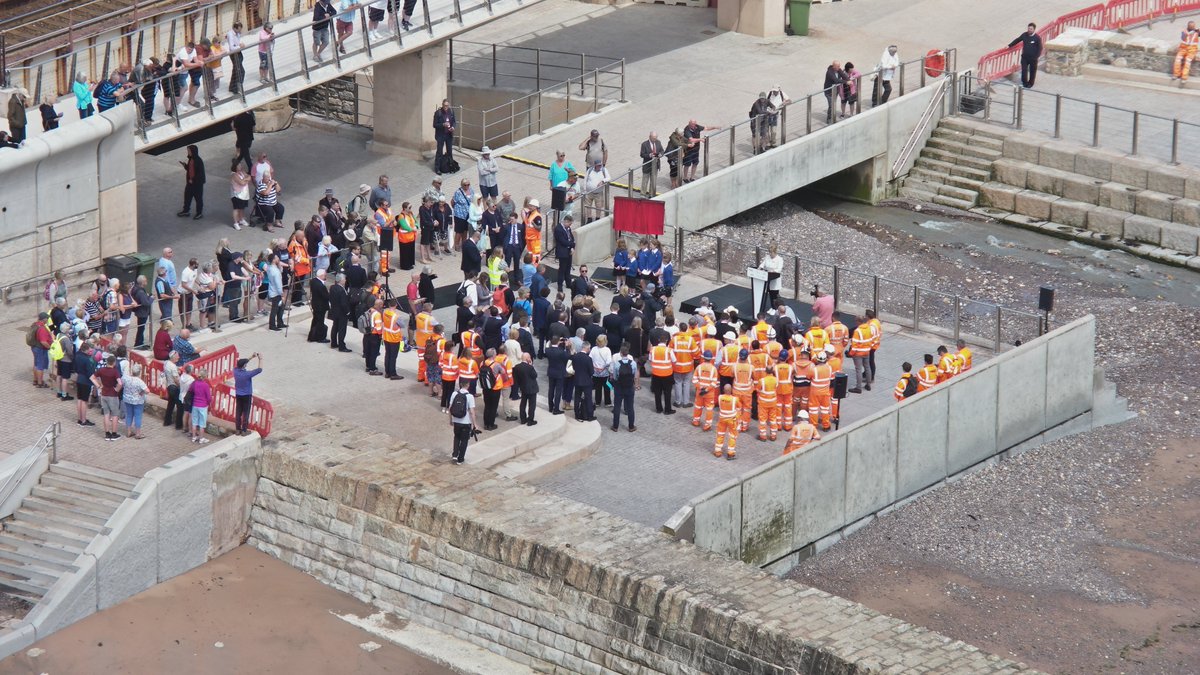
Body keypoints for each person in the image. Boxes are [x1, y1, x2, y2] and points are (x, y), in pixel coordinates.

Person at [91, 355, 122, 441]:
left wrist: (98, 386)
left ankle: (107, 434)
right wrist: (117, 390)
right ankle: (114, 433)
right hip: (113, 395)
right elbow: (120, 383)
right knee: (115, 415)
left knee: (106, 414)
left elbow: (92, 377)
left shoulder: (101, 370)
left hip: (104, 394)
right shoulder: (115, 372)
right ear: (114, 363)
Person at [448, 378, 478, 465]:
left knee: (456, 437)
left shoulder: (454, 394)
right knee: (464, 440)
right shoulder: (470, 396)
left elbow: (450, 408)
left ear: (460, 384)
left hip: (456, 421)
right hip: (466, 422)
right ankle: (460, 459)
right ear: (468, 385)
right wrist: (474, 424)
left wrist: (451, 420)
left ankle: (455, 454)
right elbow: (472, 412)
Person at [1008, 23, 1044, 89]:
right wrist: (1009, 45)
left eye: (1031, 29)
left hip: (1033, 59)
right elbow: (1017, 40)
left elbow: (1040, 48)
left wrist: (1036, 56)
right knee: (1024, 70)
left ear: (1034, 29)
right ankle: (1024, 82)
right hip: (1024, 57)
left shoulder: (1037, 38)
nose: (1029, 30)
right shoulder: (1024, 35)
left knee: (1032, 71)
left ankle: (1031, 83)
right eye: (1028, 28)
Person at [177, 145, 206, 220]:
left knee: (198, 199)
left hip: (197, 184)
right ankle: (186, 211)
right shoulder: (191, 159)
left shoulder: (198, 161)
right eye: (188, 150)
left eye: (189, 151)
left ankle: (199, 213)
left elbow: (200, 174)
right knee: (187, 197)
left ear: (193, 151)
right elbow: (190, 169)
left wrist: (193, 180)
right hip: (190, 183)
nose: (188, 152)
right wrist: (185, 165)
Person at [714, 384, 741, 460]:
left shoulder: (720, 397)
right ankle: (730, 453)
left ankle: (718, 451)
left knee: (720, 434)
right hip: (732, 420)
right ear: (731, 390)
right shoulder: (735, 399)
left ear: (723, 390)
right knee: (732, 435)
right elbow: (739, 408)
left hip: (722, 419)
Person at [848, 316, 874, 393]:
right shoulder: (869, 328)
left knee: (858, 369)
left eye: (856, 321)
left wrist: (851, 353)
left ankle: (858, 387)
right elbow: (871, 339)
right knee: (867, 367)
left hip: (858, 353)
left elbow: (854, 345)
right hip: (867, 351)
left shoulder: (857, 331)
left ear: (859, 321)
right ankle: (868, 384)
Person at [512, 352, 539, 426]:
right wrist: (531, 365)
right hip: (532, 388)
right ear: (527, 359)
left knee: (523, 403)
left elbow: (516, 379)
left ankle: (523, 419)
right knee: (532, 405)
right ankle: (530, 420)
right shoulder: (530, 367)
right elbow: (535, 375)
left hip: (523, 388)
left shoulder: (517, 367)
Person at [74, 343, 97, 427]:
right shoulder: (87, 359)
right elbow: (90, 373)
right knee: (84, 401)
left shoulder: (77, 355)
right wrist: (97, 384)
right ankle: (83, 420)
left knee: (79, 399)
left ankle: (80, 418)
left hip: (79, 379)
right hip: (85, 381)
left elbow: (75, 368)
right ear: (86, 350)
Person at [433, 98, 456, 173]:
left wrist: (453, 127)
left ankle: (450, 166)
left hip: (449, 135)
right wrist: (443, 124)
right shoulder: (438, 113)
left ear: (449, 105)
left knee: (449, 151)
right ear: (442, 105)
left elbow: (454, 122)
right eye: (444, 105)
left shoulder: (451, 111)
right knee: (439, 152)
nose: (446, 107)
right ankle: (437, 168)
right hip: (440, 135)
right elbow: (434, 125)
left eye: (447, 105)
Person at [554, 215, 576, 291]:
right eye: (569, 224)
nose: (570, 226)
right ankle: (560, 285)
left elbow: (571, 238)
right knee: (562, 269)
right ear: (566, 221)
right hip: (562, 252)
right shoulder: (558, 229)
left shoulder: (568, 228)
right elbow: (562, 241)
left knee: (568, 268)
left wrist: (572, 247)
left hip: (569, 251)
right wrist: (572, 244)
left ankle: (568, 283)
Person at [190, 369, 212, 444]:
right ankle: (201, 438)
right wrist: (209, 403)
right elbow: (209, 397)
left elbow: (191, 390)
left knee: (194, 422)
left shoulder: (194, 383)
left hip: (195, 404)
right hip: (203, 406)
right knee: (202, 423)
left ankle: (194, 437)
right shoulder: (206, 385)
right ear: (205, 376)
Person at [639, 132, 665, 196]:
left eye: (656, 138)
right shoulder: (644, 144)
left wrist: (660, 154)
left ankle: (651, 193)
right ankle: (643, 194)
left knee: (653, 180)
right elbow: (642, 154)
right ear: (650, 137)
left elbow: (662, 150)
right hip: (647, 165)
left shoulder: (658, 142)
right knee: (645, 180)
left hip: (655, 165)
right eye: (653, 138)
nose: (655, 139)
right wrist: (649, 155)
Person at [364, 297, 384, 375]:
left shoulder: (369, 310)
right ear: (379, 305)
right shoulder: (377, 314)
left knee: (368, 351)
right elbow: (378, 327)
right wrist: (381, 335)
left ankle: (368, 366)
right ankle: (373, 369)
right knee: (374, 352)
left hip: (368, 333)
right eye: (382, 304)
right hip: (375, 335)